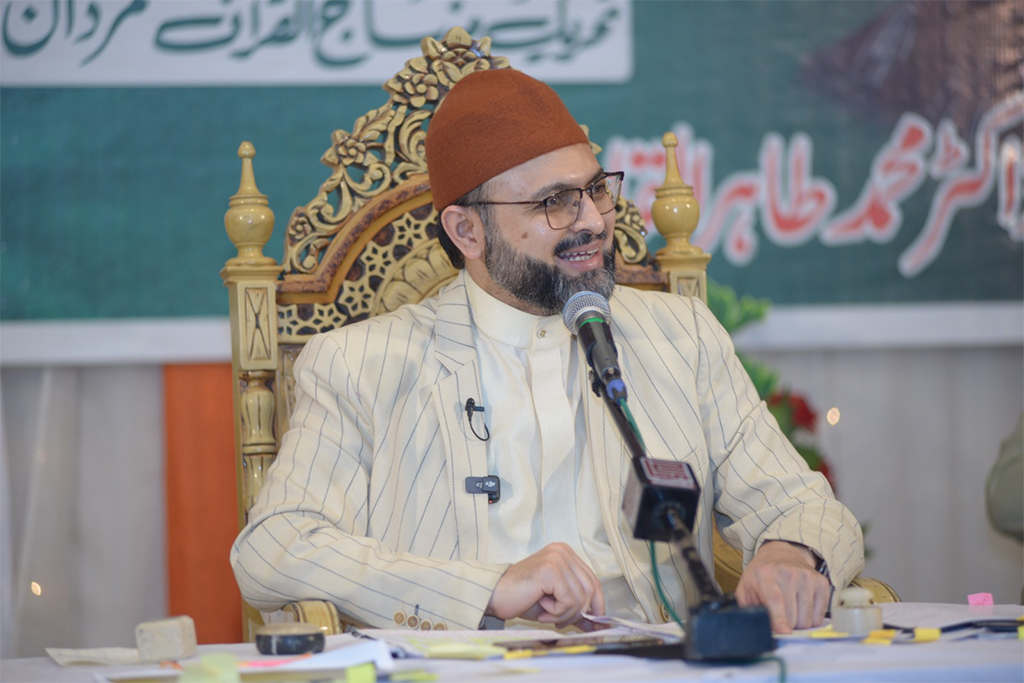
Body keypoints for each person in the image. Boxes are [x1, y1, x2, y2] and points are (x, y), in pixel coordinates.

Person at [231, 69, 863, 635]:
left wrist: (790, 553)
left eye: (596, 190)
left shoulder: (680, 335)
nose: (591, 219)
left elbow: (798, 502)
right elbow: (274, 548)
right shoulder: (359, 365)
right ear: (466, 230)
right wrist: (488, 588)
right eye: (554, 203)